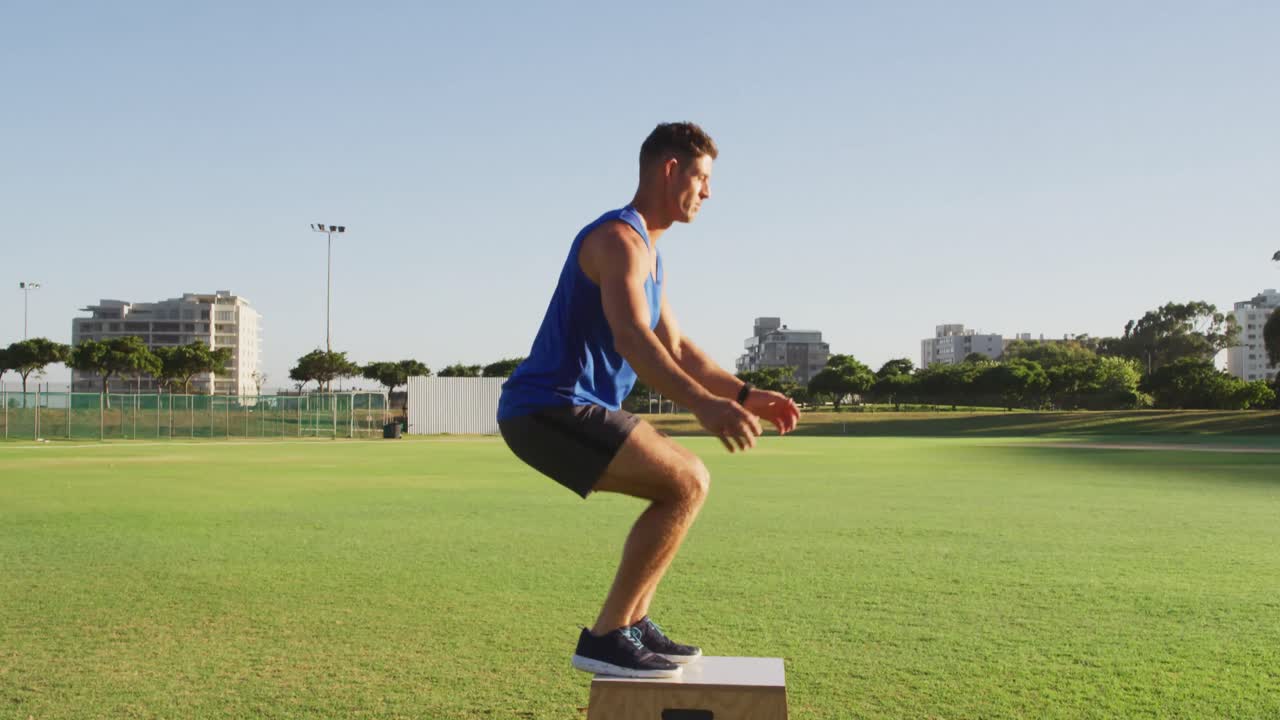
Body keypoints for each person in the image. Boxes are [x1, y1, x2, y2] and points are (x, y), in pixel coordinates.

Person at [496, 122, 801, 678]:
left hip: (574, 405)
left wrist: (746, 394)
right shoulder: (616, 241)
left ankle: (629, 623)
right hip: (548, 406)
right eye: (702, 178)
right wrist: (703, 406)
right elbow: (633, 337)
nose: (707, 193)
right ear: (669, 170)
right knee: (687, 481)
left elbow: (677, 347)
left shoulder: (649, 254)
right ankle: (608, 635)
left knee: (683, 484)